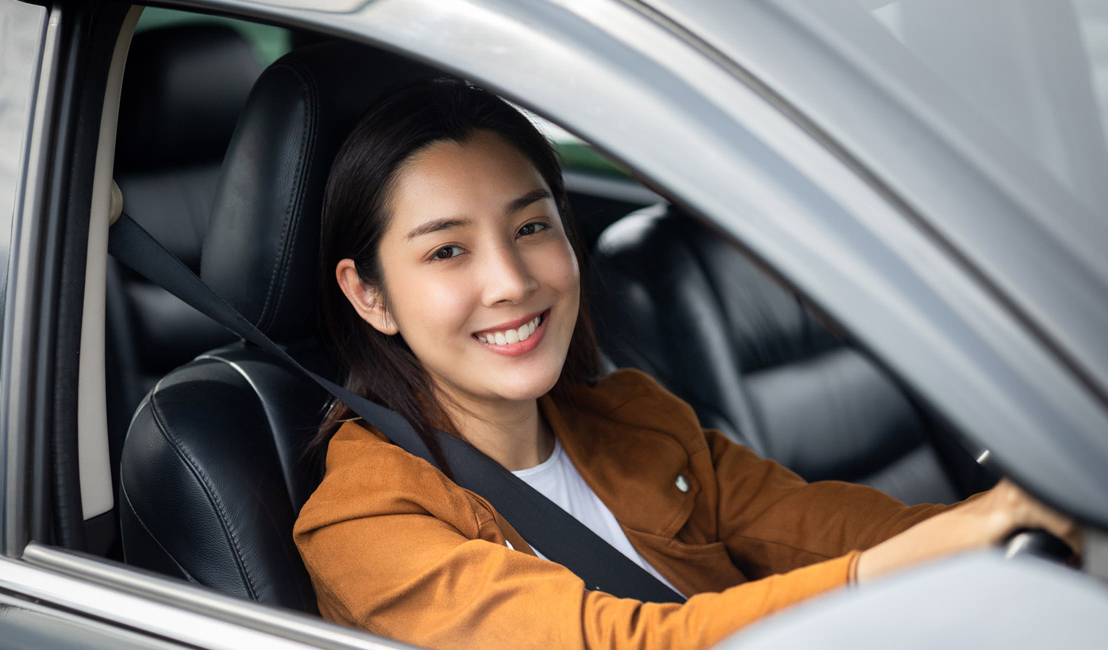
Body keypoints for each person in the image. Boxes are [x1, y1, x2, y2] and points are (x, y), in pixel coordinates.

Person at [293, 79, 1081, 650]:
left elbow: (815, 530)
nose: (511, 282)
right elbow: (627, 644)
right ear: (371, 297)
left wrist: (1027, 529)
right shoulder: (365, 524)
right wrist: (885, 574)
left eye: (531, 227)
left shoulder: (630, 418)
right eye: (448, 250)